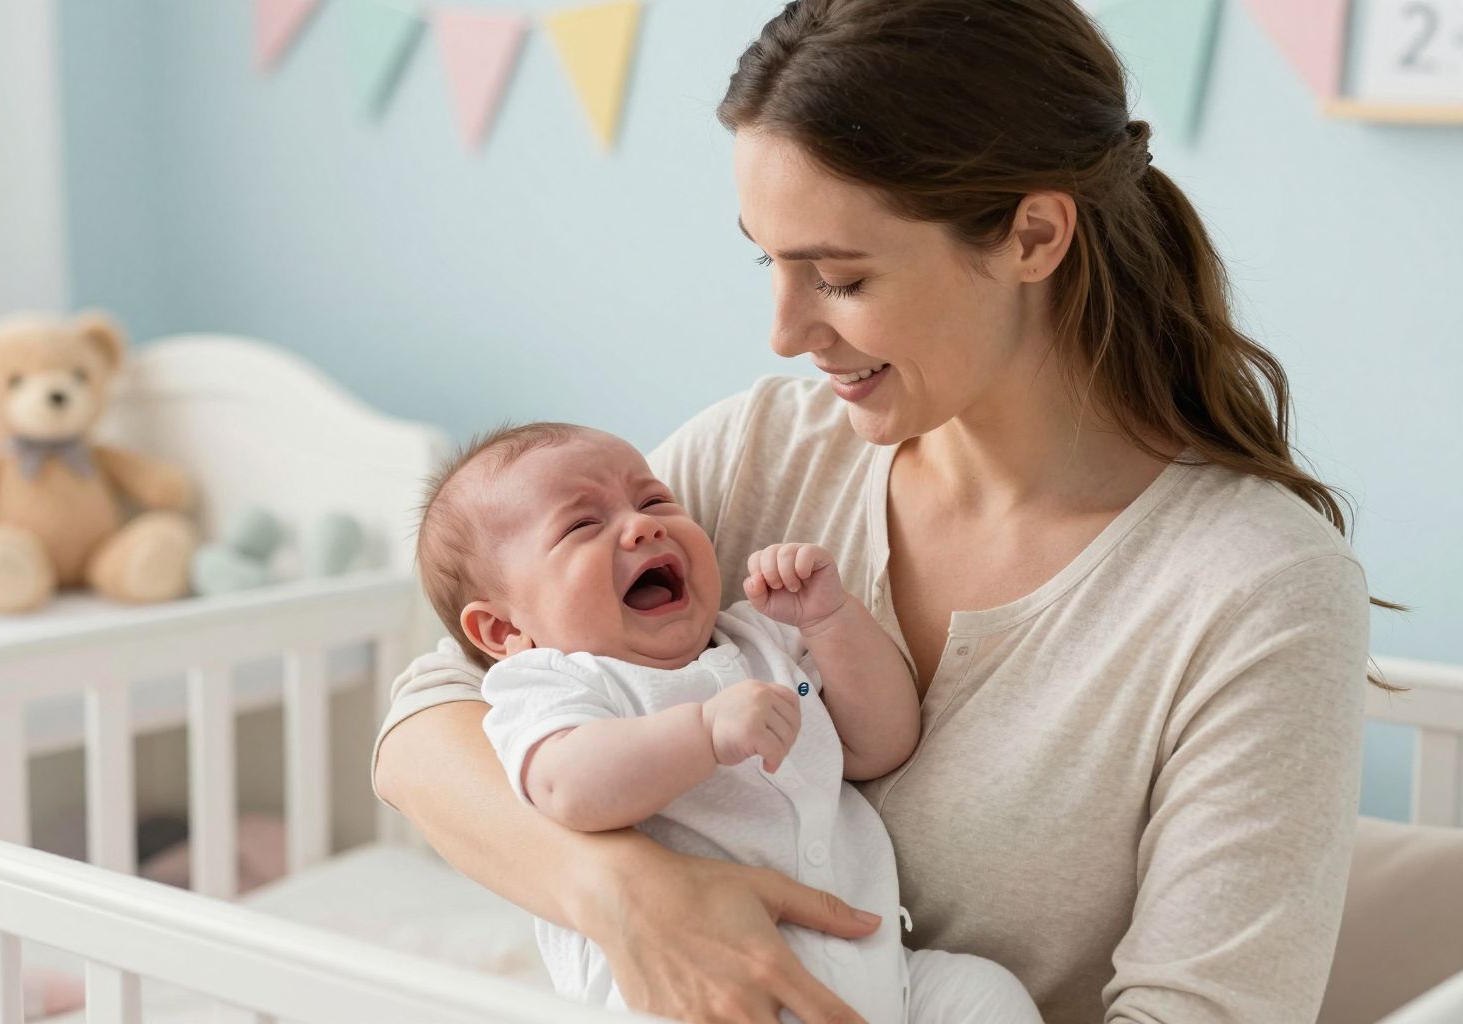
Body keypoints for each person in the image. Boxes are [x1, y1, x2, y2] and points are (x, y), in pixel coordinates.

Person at [372, 1, 1378, 1021]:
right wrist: (629, 895)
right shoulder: (759, 452)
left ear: (1034, 235)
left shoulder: (1257, 589)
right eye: (768, 260)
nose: (784, 332)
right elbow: (431, 717)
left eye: (840, 278)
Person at [412, 421, 1043, 1023]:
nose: (641, 526)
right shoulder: (554, 684)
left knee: (982, 996)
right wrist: (703, 732)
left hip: (879, 977)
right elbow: (567, 788)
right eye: (582, 524)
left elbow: (881, 744)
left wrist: (830, 620)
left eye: (654, 501)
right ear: (503, 629)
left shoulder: (760, 638)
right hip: (692, 994)